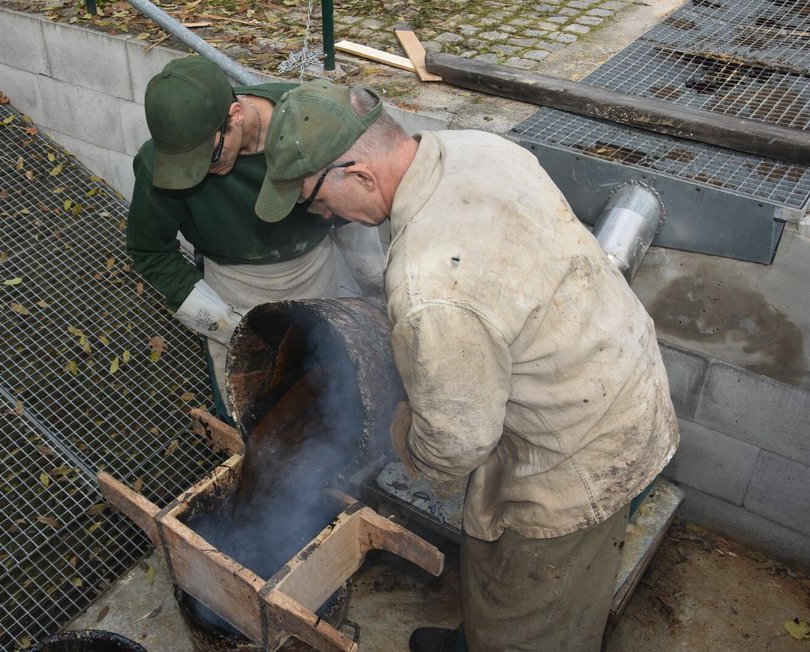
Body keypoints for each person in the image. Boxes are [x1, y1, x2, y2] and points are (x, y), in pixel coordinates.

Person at [255, 80, 679, 651]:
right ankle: (471, 638)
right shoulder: (476, 147)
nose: (328, 218)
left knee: (534, 614)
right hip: (607, 369)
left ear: (358, 175)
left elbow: (455, 446)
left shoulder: (430, 286)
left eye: (319, 203)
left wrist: (400, 430)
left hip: (578, 454)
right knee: (492, 565)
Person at [125, 57, 384, 416]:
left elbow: (351, 207)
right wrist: (223, 323)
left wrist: (372, 279)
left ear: (234, 114)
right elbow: (151, 250)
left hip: (317, 273)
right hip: (233, 290)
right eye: (187, 166)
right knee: (255, 414)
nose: (202, 173)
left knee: (342, 396)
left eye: (211, 156)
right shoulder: (159, 163)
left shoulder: (307, 122)